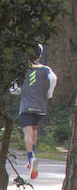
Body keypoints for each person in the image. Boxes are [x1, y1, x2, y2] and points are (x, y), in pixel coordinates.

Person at [17, 43, 57, 180]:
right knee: (34, 129)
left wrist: (16, 90)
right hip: (40, 106)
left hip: (26, 106)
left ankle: (30, 158)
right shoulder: (45, 69)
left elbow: (15, 86)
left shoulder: (23, 69)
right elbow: (53, 78)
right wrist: (49, 93)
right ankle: (32, 154)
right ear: (40, 55)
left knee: (27, 131)